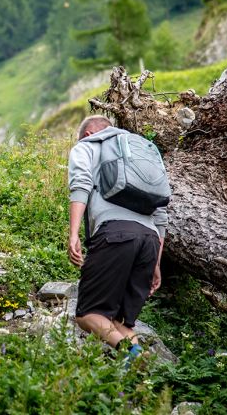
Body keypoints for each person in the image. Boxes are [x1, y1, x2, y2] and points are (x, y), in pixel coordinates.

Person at [67, 115, 167, 364]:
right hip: (150, 240)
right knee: (117, 321)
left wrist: (73, 234)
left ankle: (134, 356)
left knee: (88, 314)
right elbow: (162, 212)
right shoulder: (144, 150)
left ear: (89, 133)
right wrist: (156, 263)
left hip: (115, 234)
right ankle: (139, 369)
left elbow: (80, 184)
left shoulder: (88, 145)